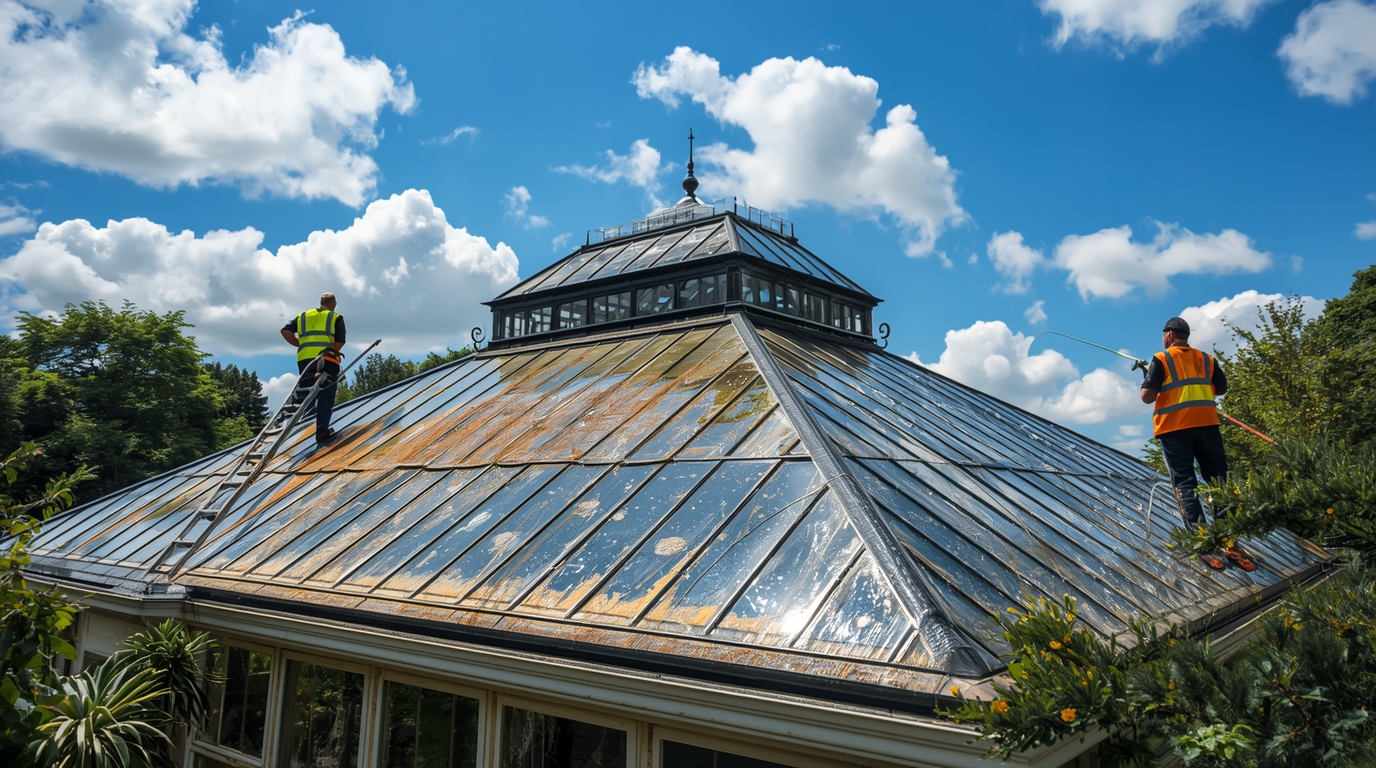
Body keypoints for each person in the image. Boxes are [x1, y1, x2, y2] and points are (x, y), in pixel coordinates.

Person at [1140, 316, 1253, 571]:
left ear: (1169, 335)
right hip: (1207, 427)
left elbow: (1147, 397)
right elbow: (1221, 389)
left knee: (1185, 483)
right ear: (1185, 335)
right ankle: (1229, 541)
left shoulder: (1161, 358)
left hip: (1174, 430)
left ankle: (1203, 542)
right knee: (1218, 481)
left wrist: (1148, 376)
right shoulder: (1206, 359)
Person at [281, 293, 346, 446]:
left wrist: (300, 344)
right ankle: (321, 431)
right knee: (326, 393)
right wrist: (333, 352)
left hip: (305, 360)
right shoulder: (335, 317)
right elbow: (340, 341)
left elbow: (285, 331)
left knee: (307, 392)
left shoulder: (304, 316)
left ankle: (304, 427)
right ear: (334, 303)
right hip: (326, 359)